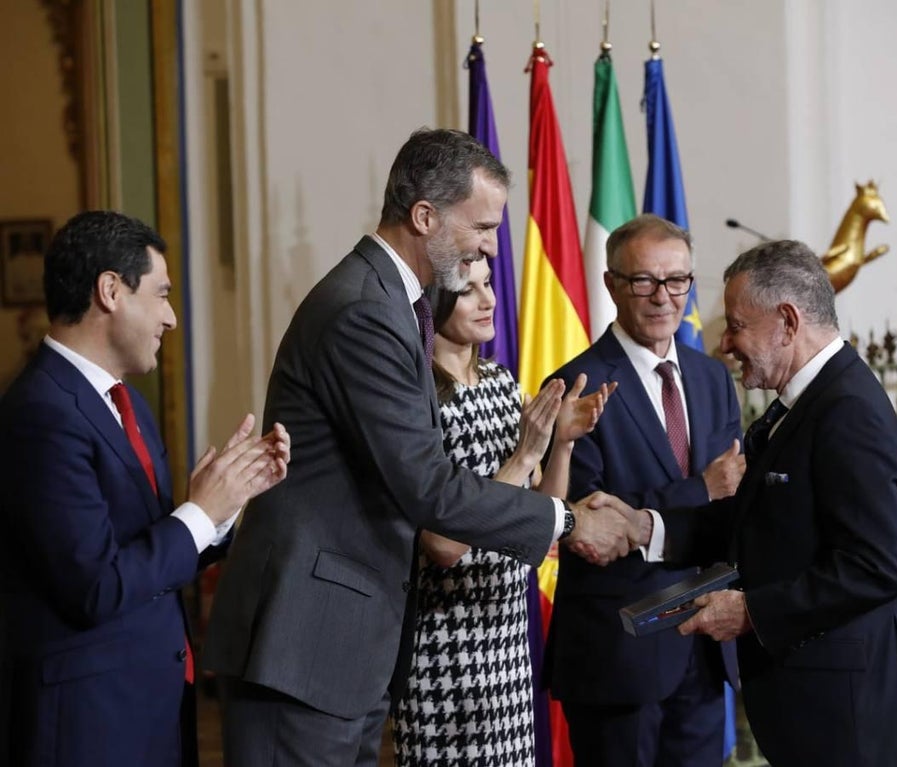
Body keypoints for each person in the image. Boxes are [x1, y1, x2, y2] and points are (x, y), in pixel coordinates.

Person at [202, 127, 634, 767]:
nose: (492, 247)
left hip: (345, 646)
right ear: (425, 216)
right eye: (482, 226)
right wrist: (566, 520)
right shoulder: (363, 309)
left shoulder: (393, 302)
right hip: (305, 641)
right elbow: (427, 485)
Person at [626, 239, 897, 766]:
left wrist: (751, 612)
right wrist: (648, 529)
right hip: (827, 712)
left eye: (736, 325)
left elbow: (876, 565)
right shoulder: (806, 402)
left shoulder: (847, 410)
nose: (724, 343)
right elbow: (759, 518)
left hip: (855, 721)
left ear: (788, 322)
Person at [0, 210, 290, 767]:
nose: (171, 317)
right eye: (161, 294)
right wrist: (198, 512)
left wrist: (222, 506)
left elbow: (153, 560)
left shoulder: (127, 402)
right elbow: (97, 586)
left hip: (150, 708)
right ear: (110, 291)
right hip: (89, 725)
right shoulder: (40, 412)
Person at [392, 257, 613, 766]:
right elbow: (443, 543)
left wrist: (561, 445)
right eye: (468, 291)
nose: (489, 300)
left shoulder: (501, 383)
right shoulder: (416, 395)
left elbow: (538, 521)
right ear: (435, 301)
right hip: (444, 640)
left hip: (508, 635)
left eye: (488, 284)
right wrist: (525, 456)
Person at [544, 214, 745, 766]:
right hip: (619, 658)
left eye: (677, 280)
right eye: (644, 281)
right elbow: (588, 525)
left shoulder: (712, 378)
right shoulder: (575, 385)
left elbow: (733, 505)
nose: (663, 297)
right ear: (611, 285)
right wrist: (699, 489)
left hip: (705, 646)